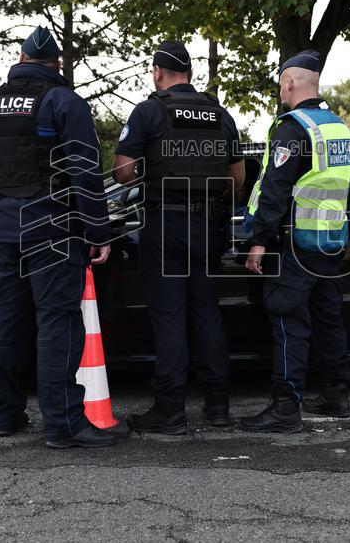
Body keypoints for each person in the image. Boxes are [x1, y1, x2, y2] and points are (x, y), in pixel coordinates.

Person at [0, 25, 120, 449]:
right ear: (56, 65)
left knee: (7, 325)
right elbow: (84, 172)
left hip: (4, 231)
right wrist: (98, 231)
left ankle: (4, 414)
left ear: (20, 59)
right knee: (57, 324)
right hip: (52, 231)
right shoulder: (63, 102)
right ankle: (63, 424)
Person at [112, 41, 245, 433]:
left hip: (165, 225)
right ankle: (218, 405)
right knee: (207, 313)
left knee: (169, 317)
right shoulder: (219, 114)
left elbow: (122, 172)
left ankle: (170, 409)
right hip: (207, 226)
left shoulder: (149, 111)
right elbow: (237, 179)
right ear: (189, 73)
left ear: (157, 72)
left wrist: (151, 173)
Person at [240, 50, 350, 432]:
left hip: (293, 244)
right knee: (329, 319)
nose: (281, 89)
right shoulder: (339, 127)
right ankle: (336, 394)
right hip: (329, 241)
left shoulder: (292, 128)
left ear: (289, 82)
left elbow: (275, 188)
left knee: (289, 320)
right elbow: (346, 187)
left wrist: (259, 239)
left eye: (280, 83)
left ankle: (286, 407)